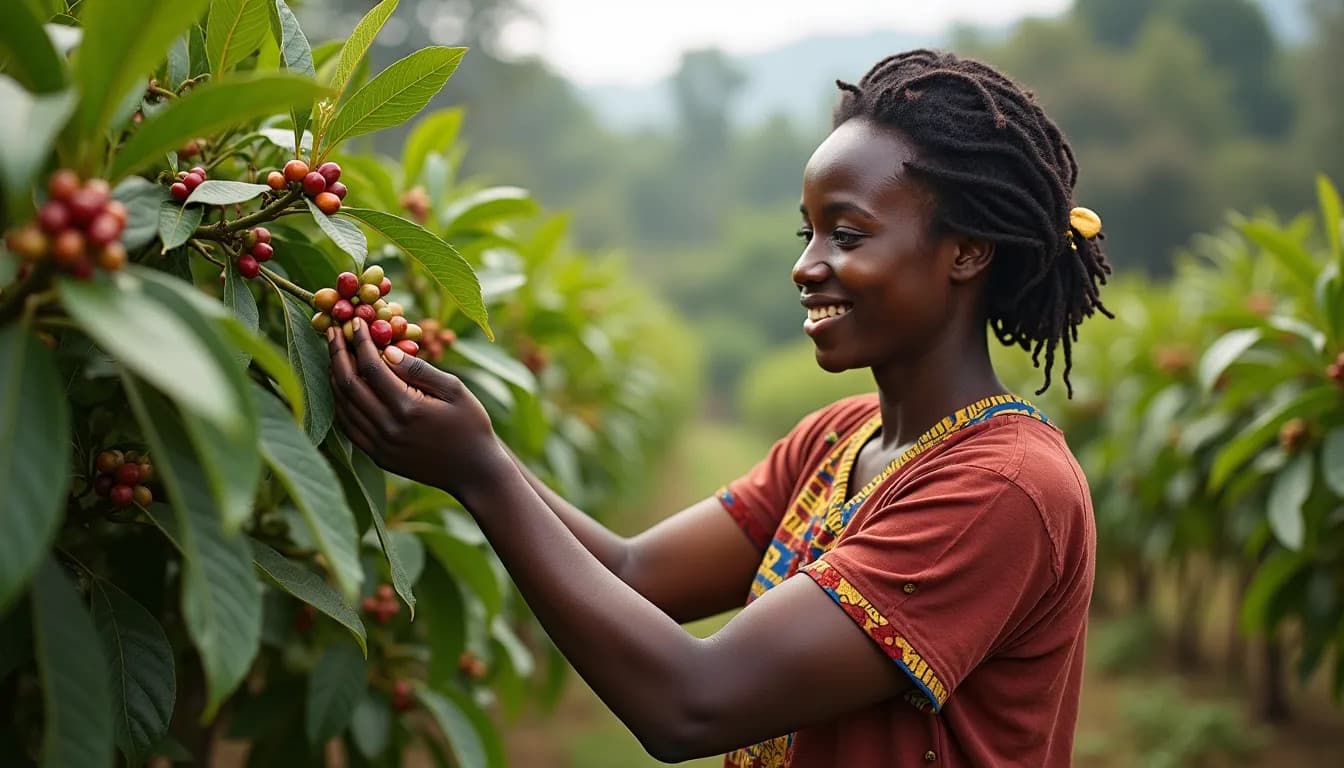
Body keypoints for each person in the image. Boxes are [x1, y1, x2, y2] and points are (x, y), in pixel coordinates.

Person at [327, 49, 1111, 768]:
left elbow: (692, 704)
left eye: (847, 233)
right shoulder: (839, 439)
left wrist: (480, 472)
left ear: (967, 251)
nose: (806, 267)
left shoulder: (1005, 486)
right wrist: (477, 446)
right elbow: (634, 575)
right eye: (807, 232)